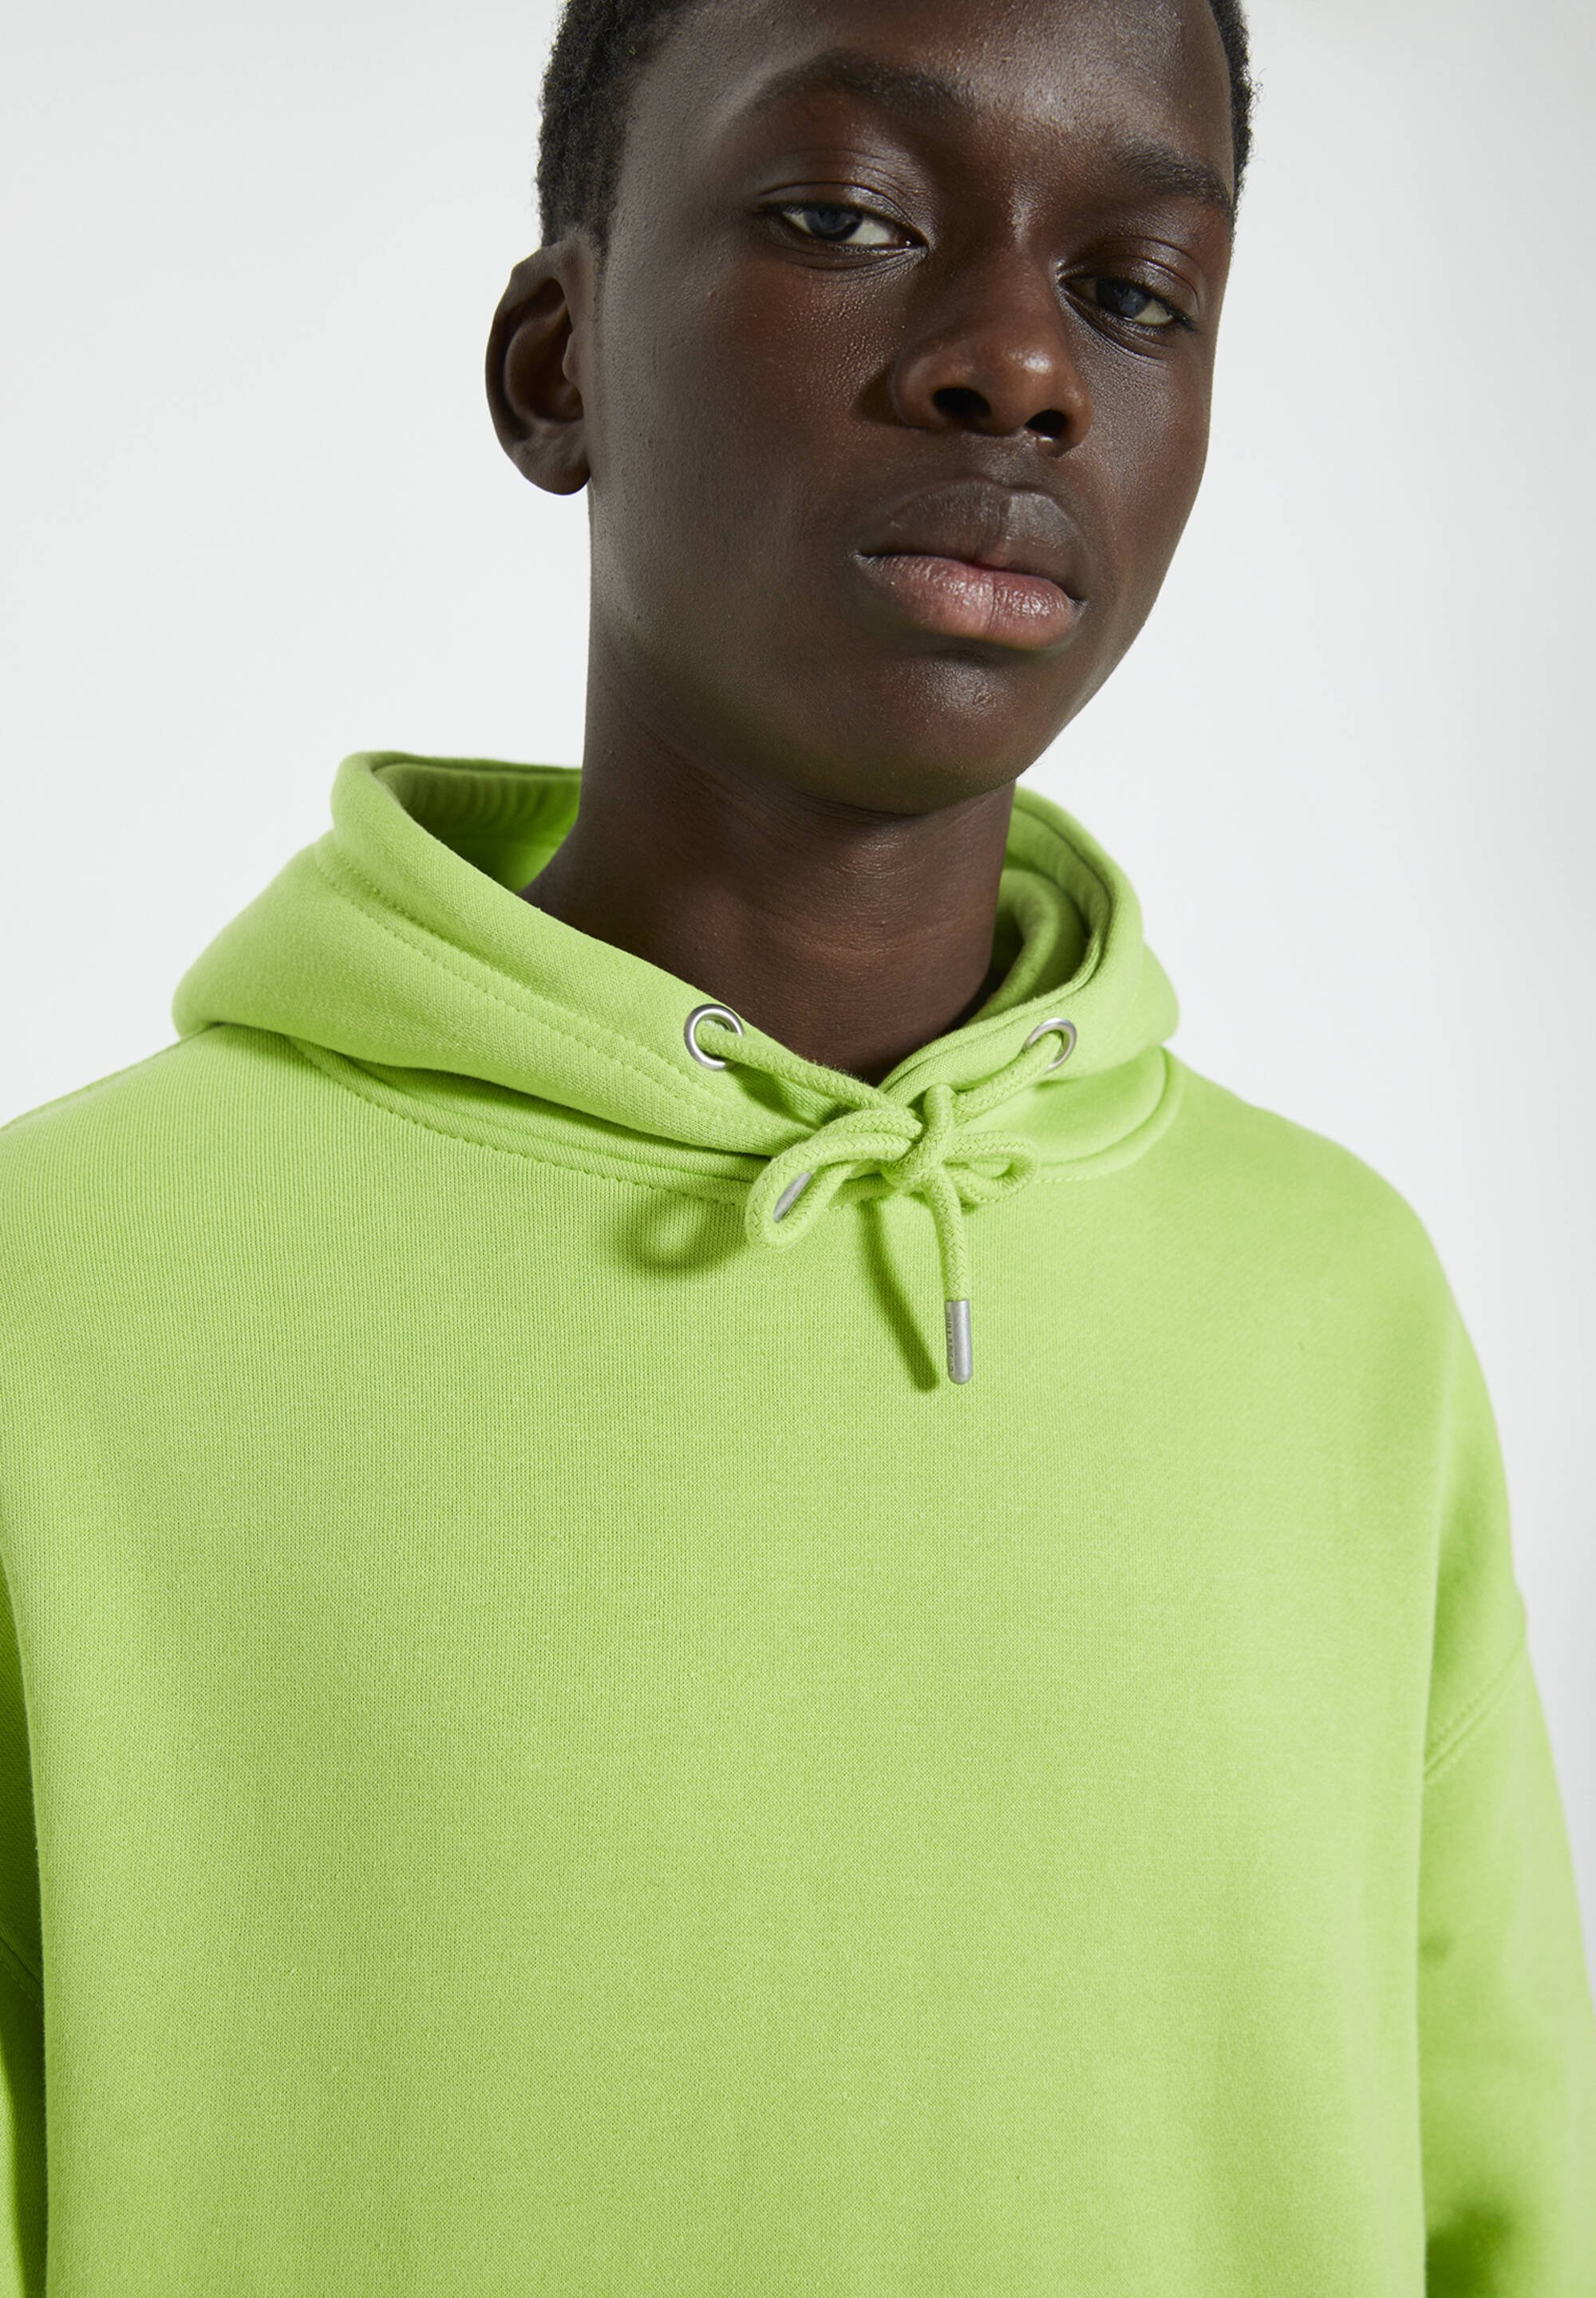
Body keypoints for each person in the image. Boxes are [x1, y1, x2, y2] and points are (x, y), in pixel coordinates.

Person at [0, 0, 1591, 2289]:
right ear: (557, 362)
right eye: (848, 218)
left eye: (1136, 290)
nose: (1019, 368)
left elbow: (1518, 2217)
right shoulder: (62, 1298)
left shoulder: (1337, 1308)